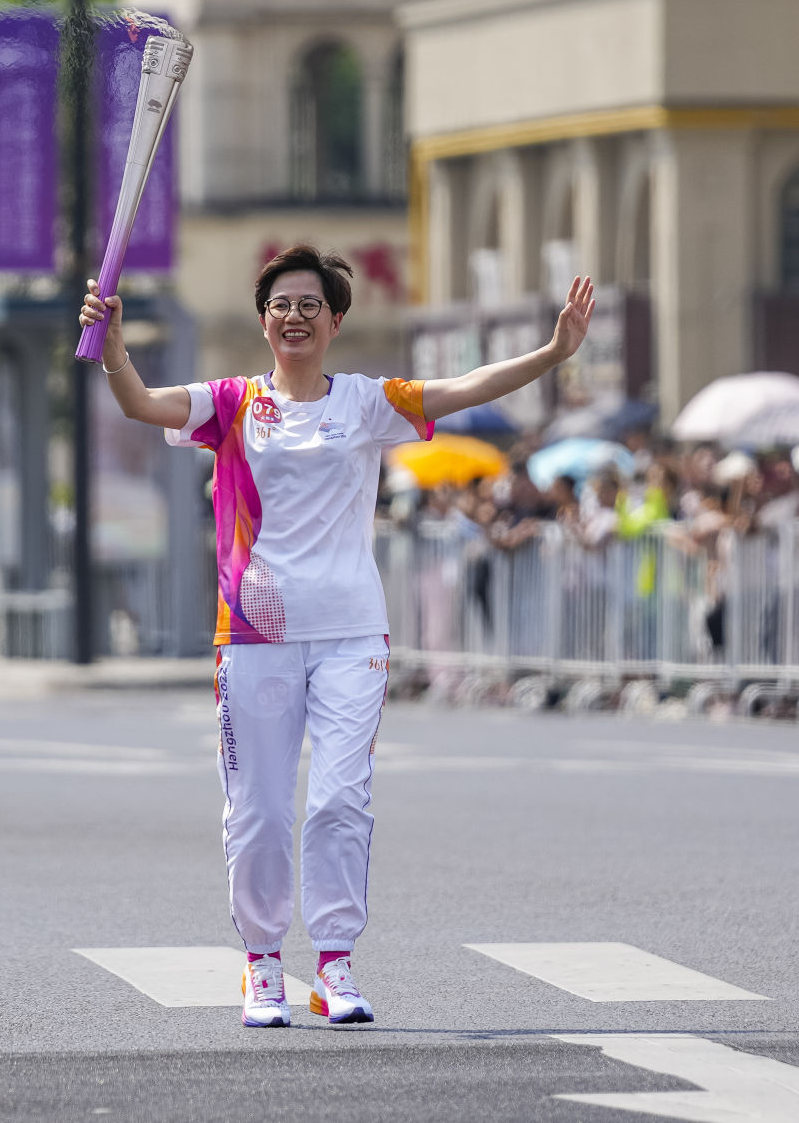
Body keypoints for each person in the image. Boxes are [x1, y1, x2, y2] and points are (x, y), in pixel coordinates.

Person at [79, 245, 593, 1029]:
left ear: (335, 321)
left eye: (310, 305)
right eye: (281, 304)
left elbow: (463, 388)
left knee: (339, 799)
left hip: (353, 630)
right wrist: (113, 346)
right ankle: (260, 963)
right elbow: (142, 405)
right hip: (254, 633)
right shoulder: (231, 402)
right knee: (257, 809)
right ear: (263, 321)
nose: (294, 316)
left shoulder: (366, 401)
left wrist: (554, 353)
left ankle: (333, 962)